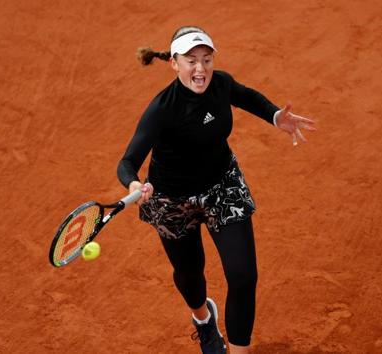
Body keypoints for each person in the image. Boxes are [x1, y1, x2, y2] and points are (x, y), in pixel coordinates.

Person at [117, 25, 315, 354]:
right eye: (191, 61)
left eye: (206, 59)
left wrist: (275, 115)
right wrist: (134, 183)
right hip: (172, 199)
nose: (201, 69)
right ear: (174, 64)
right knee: (189, 274)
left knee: (243, 276)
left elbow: (245, 95)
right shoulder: (162, 110)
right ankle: (203, 320)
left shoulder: (220, 83)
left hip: (222, 184)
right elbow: (128, 160)